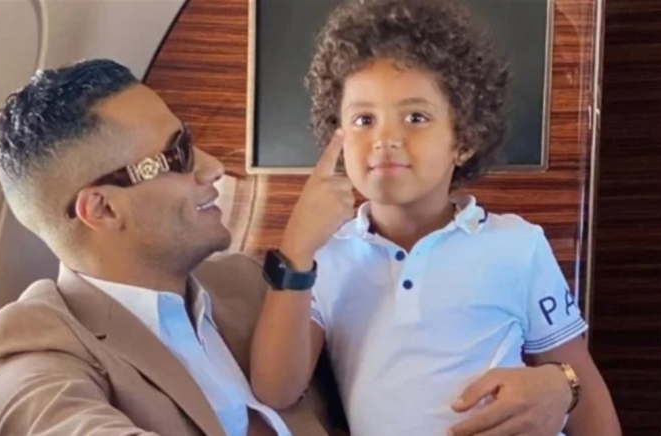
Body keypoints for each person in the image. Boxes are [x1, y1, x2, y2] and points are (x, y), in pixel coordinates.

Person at [0, 58, 577, 436]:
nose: (213, 166)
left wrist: (560, 387)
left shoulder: (252, 284)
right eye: (177, 155)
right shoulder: (34, 338)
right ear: (102, 209)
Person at [248, 1, 622, 436]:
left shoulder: (518, 245)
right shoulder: (325, 261)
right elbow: (276, 389)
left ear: (464, 140)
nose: (385, 138)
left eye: (416, 117)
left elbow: (584, 390)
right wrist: (296, 250)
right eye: (364, 119)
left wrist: (565, 388)